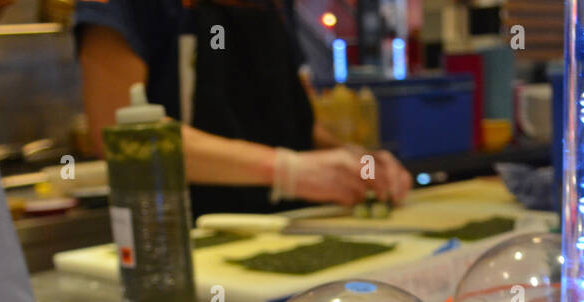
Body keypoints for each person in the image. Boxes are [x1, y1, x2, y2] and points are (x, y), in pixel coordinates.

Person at [74, 0, 413, 215]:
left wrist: (360, 163)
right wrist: (286, 170)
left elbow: (294, 122)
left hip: (292, 228)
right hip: (183, 244)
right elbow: (116, 134)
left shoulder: (277, 7)